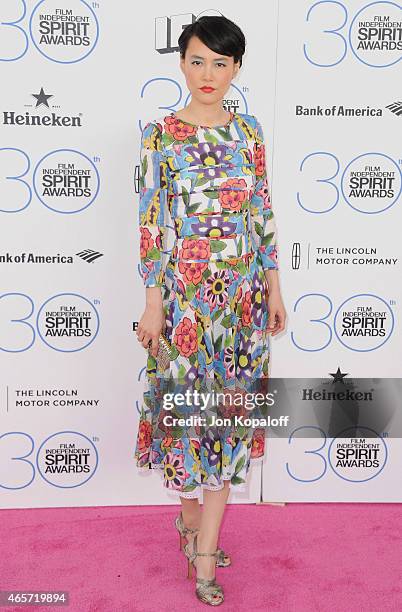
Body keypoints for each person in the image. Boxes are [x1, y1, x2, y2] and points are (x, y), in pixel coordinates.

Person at [134, 15, 286, 606]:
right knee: (184, 416)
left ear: (237, 69)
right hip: (186, 305)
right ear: (181, 63)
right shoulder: (160, 135)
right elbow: (151, 224)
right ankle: (191, 516)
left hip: (243, 303)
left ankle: (203, 557)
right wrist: (153, 305)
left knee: (227, 419)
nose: (208, 74)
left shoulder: (249, 132)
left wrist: (273, 288)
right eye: (198, 60)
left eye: (221, 63)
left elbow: (264, 214)